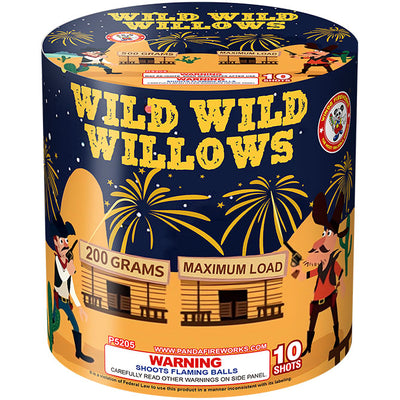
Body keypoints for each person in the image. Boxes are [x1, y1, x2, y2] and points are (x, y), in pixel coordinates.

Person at [293, 192, 348, 357]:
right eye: (324, 233)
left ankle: (337, 338)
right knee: (312, 323)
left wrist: (341, 285)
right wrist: (295, 267)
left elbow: (341, 273)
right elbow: (303, 276)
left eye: (328, 234)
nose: (324, 238)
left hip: (331, 296)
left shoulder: (333, 264)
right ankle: (309, 347)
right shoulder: (319, 268)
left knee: (335, 318)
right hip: (317, 300)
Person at [51, 214, 94, 363]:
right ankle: (53, 340)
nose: (65, 244)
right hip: (56, 299)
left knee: (76, 325)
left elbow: (71, 288)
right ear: (56, 241)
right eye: (62, 241)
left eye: (67, 241)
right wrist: (69, 270)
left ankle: (78, 353)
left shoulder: (68, 261)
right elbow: (61, 279)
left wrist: (80, 307)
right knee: (53, 322)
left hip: (66, 301)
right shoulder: (57, 260)